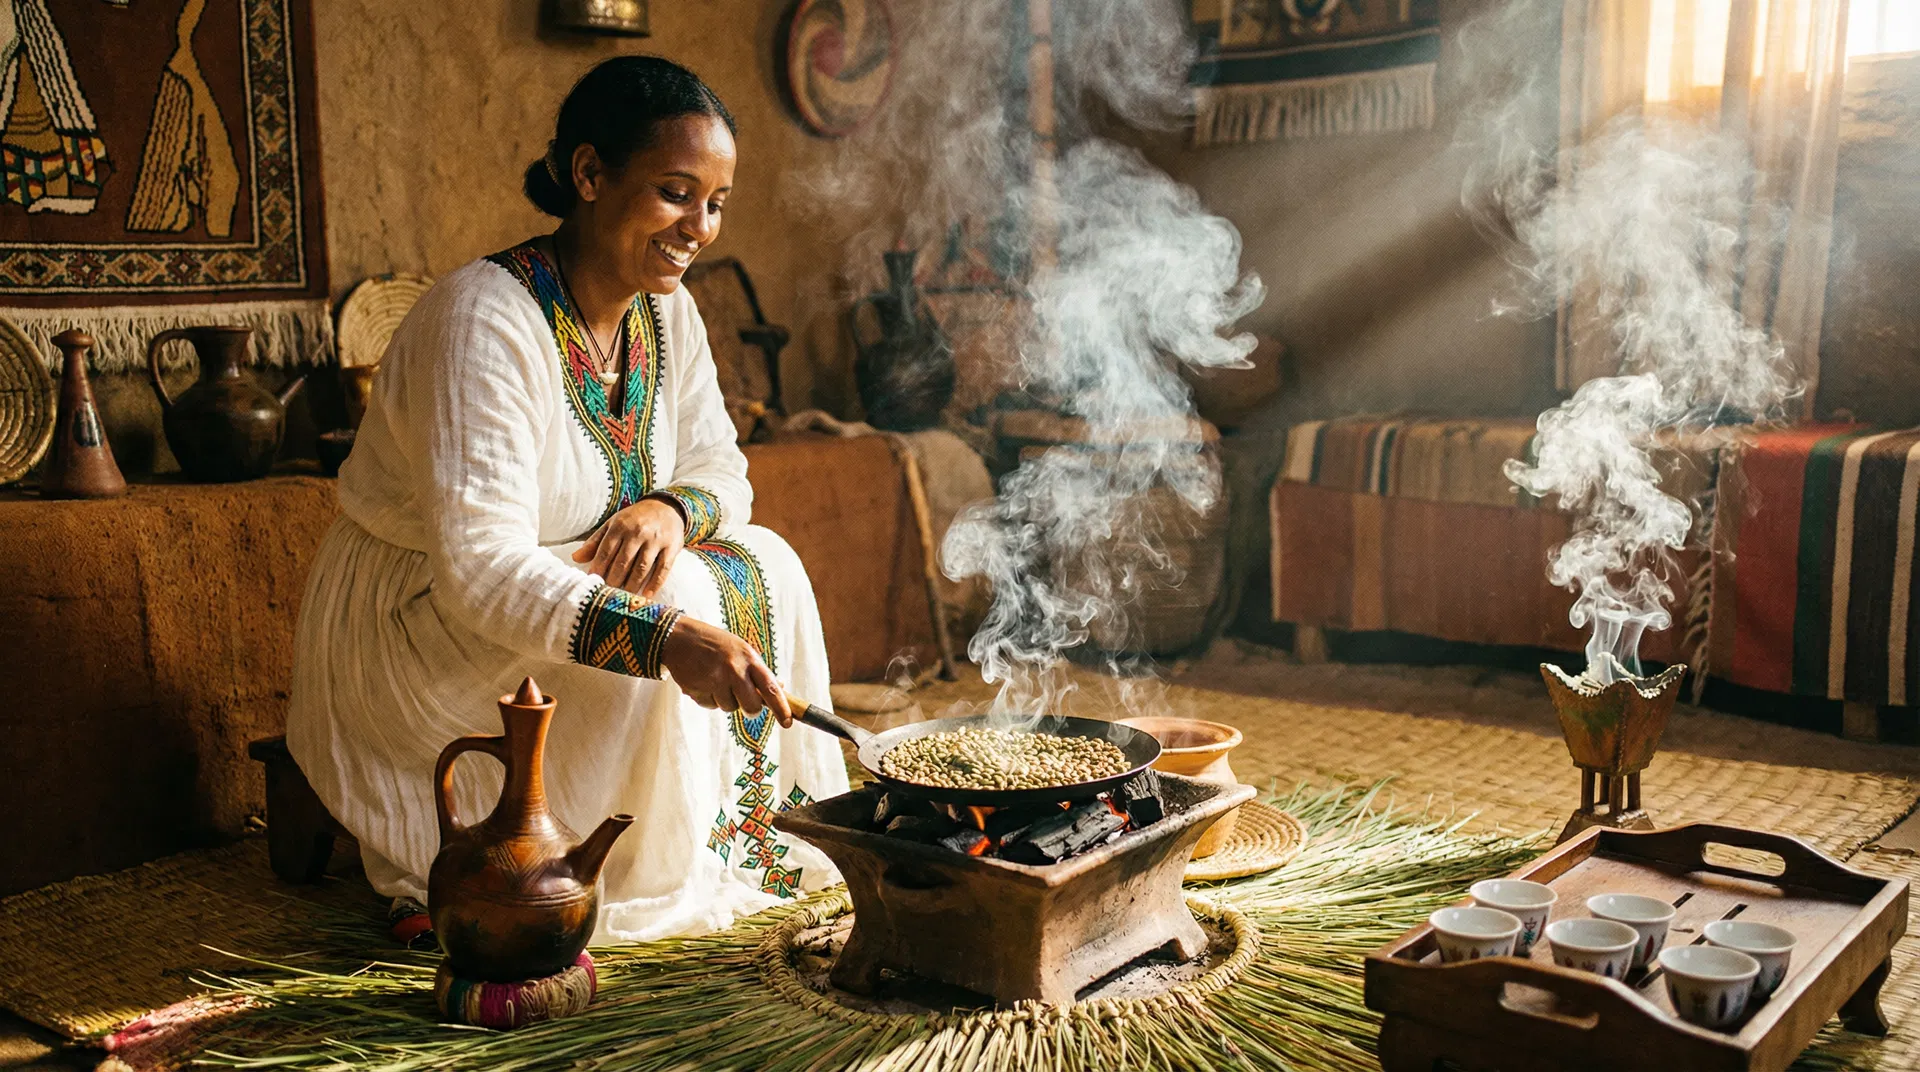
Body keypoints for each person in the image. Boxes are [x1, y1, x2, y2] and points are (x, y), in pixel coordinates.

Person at [287, 56, 847, 942]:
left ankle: (743, 842)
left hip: (548, 600)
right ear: (589, 175)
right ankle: (620, 872)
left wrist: (669, 511)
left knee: (767, 558)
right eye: (674, 192)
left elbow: (724, 475)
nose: (698, 226)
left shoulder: (668, 312)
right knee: (673, 596)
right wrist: (664, 639)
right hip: (419, 628)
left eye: (716, 202)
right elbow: (476, 569)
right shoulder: (483, 321)